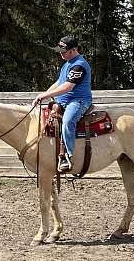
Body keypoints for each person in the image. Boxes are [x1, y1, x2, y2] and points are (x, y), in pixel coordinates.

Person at [32, 36, 93, 173]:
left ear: (73, 50)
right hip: (64, 101)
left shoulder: (79, 65)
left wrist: (44, 95)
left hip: (78, 101)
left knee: (67, 121)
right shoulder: (67, 64)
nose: (60, 53)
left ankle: (67, 155)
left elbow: (67, 87)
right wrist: (44, 94)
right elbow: (59, 83)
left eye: (63, 50)